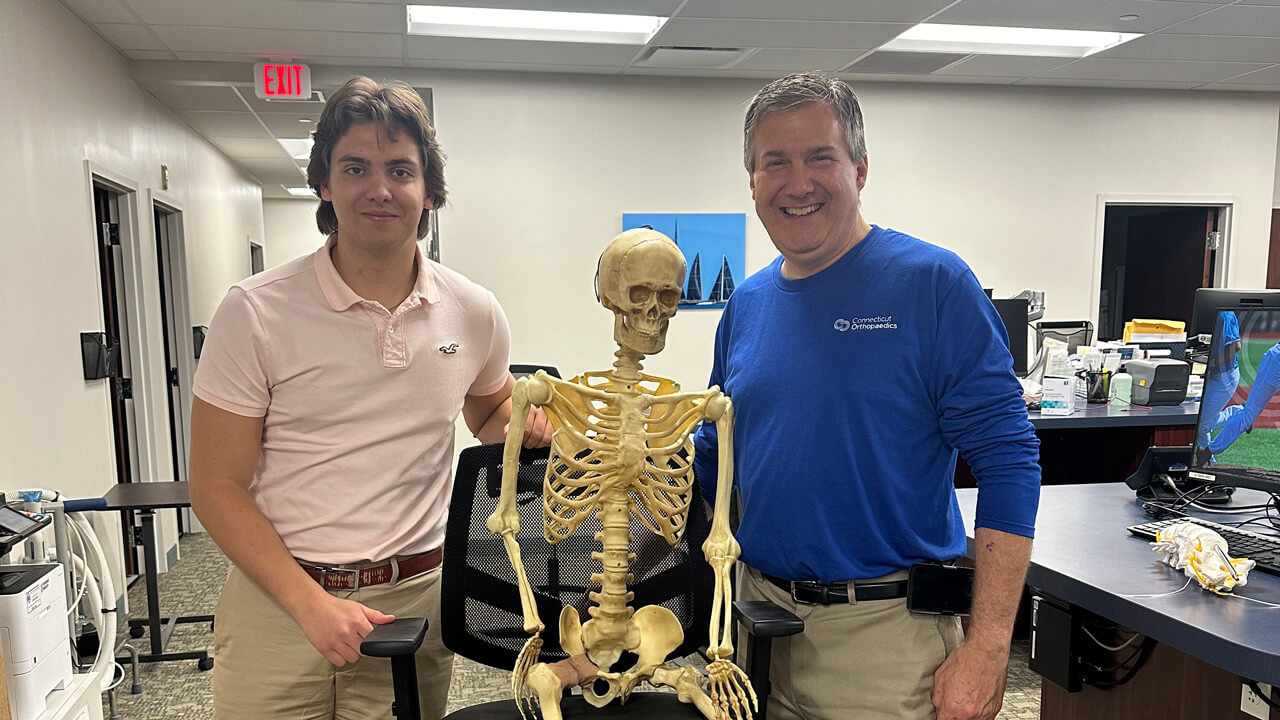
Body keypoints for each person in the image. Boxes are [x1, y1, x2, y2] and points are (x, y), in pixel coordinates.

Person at [189, 76, 550, 720]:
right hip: (280, 601)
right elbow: (217, 485)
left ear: (430, 191)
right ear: (324, 184)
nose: (379, 188)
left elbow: (487, 408)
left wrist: (526, 423)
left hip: (413, 602)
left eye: (400, 170)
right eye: (355, 167)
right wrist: (309, 604)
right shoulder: (255, 313)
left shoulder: (473, 311)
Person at [692, 72, 1040, 720]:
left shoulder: (932, 285)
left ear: (860, 167)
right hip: (754, 626)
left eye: (819, 157)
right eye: (776, 163)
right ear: (753, 181)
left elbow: (1010, 462)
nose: (798, 184)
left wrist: (990, 648)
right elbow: (714, 453)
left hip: (883, 644)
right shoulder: (746, 305)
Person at [1207, 338, 1280, 457]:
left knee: (1248, 413)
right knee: (1248, 416)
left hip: (1275, 359)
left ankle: (1248, 408)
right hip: (1276, 362)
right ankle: (1207, 451)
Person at [1195, 310, 1241, 460]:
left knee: (1202, 424)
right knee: (1202, 420)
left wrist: (1213, 362)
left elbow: (1235, 347)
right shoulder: (1217, 312)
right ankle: (1208, 463)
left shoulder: (1226, 315)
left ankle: (1239, 413)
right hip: (1215, 374)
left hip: (1224, 377)